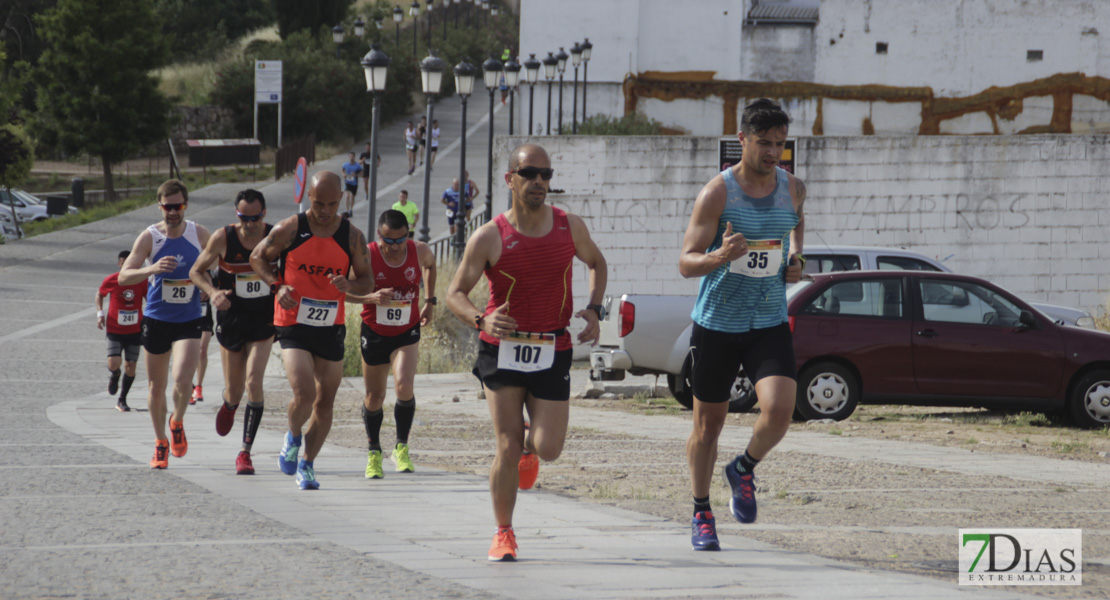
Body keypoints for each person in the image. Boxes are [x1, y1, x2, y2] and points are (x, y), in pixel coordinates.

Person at [447, 143, 607, 562]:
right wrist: (481, 320)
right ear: (510, 179)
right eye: (530, 173)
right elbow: (454, 293)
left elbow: (597, 263)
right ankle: (504, 533)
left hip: (553, 346)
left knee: (548, 447)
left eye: (546, 175)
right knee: (506, 444)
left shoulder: (568, 226)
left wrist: (593, 308)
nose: (539, 181)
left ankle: (529, 446)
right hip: (502, 349)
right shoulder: (490, 236)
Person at [677, 98, 806, 551]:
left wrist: (795, 258)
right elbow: (686, 263)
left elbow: (795, 226)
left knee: (778, 412)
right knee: (708, 427)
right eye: (764, 143)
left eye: (780, 144)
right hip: (716, 324)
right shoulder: (717, 193)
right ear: (743, 141)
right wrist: (718, 256)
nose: (773, 152)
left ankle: (744, 468)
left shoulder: (793, 187)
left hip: (767, 320)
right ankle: (701, 511)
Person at [249, 171, 374, 490]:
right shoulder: (291, 228)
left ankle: (307, 463)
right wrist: (277, 287)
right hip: (292, 321)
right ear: (310, 199)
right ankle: (292, 437)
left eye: (332, 204)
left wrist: (349, 284)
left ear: (342, 201)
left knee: (326, 401)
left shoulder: (352, 236)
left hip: (330, 324)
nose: (325, 211)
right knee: (304, 393)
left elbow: (368, 281)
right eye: (319, 203)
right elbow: (257, 258)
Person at [118, 179, 210, 469]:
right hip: (156, 318)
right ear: (160, 206)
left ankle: (177, 421)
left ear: (185, 205)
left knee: (183, 381)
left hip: (189, 319)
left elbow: (218, 263)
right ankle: (160, 443)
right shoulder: (149, 238)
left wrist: (212, 285)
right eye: (168, 207)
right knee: (157, 387)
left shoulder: (199, 234)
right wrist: (153, 268)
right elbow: (123, 276)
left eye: (178, 206)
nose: (173, 212)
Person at [189, 189, 276, 475]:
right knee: (236, 390)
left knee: (254, 382)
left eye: (255, 217)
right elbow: (196, 271)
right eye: (243, 217)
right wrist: (212, 292)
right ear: (236, 215)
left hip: (263, 320)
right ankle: (228, 403)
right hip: (232, 319)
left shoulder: (275, 237)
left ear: (264, 213)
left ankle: (245, 453)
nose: (250, 224)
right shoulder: (223, 237)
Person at [345, 209, 436, 480]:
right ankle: (374, 452)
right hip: (374, 331)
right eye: (389, 241)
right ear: (378, 235)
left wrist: (430, 301)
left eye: (401, 240)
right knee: (375, 397)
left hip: (406, 330)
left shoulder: (418, 250)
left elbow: (430, 266)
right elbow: (344, 292)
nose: (395, 247)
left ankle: (401, 447)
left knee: (403, 385)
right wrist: (371, 298)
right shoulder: (368, 255)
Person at [95, 250, 147, 412]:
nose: (128, 266)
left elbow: (150, 300)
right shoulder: (112, 279)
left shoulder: (141, 281)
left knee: (131, 366)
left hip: (135, 330)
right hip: (115, 328)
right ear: (120, 264)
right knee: (114, 362)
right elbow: (100, 294)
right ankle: (115, 374)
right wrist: (100, 314)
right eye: (124, 263)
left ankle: (122, 399)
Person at [191, 291, 213, 404]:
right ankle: (188, 387)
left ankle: (198, 388)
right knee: (188, 354)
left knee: (202, 351)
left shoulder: (209, 274)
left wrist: (210, 291)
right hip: (187, 317)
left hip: (205, 317)